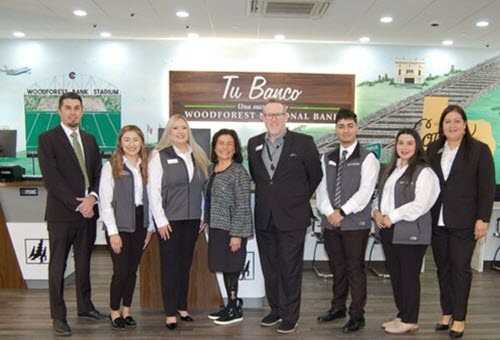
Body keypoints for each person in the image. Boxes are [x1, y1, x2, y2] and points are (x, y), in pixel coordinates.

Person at [247, 98, 323, 334]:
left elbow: (316, 175)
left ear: (286, 116)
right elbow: (260, 178)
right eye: (268, 115)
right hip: (264, 217)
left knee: (290, 267)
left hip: (292, 217)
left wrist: (296, 198)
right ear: (262, 118)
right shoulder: (254, 143)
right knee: (270, 266)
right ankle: (276, 309)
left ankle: (291, 315)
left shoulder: (304, 142)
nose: (273, 119)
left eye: (277, 115)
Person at [38, 92, 105, 336]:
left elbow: (99, 173)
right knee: (57, 266)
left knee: (85, 262)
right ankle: (58, 316)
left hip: (88, 213)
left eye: (77, 108)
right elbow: (52, 179)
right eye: (68, 108)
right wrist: (79, 204)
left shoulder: (89, 139)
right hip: (62, 215)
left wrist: (93, 198)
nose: (73, 112)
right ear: (59, 111)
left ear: (82, 111)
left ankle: (85, 307)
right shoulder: (47, 139)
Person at [427, 104, 495, 338]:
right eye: (447, 122)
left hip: (465, 222)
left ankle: (460, 317)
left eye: (457, 121)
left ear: (465, 125)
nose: (452, 125)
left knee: (460, 269)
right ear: (442, 126)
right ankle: (446, 312)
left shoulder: (479, 150)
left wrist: (482, 219)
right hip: (437, 221)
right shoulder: (433, 148)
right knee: (442, 270)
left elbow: (486, 188)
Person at [315, 108, 380, 333]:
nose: (345, 130)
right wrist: (329, 212)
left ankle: (357, 314)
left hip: (355, 224)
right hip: (331, 222)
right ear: (336, 129)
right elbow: (321, 188)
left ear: (357, 127)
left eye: (349, 126)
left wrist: (341, 212)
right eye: (341, 126)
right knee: (337, 268)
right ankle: (338, 307)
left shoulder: (368, 157)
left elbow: (365, 193)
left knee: (354, 268)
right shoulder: (328, 157)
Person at [372, 128, 440, 334]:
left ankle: (410, 319)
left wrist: (391, 217)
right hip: (388, 230)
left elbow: (420, 205)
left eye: (409, 143)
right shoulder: (392, 169)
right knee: (397, 276)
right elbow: (380, 196)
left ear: (417, 146)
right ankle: (403, 315)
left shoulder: (424, 172)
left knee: (409, 277)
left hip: (411, 232)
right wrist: (375, 212)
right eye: (400, 143)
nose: (404, 147)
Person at [148, 114, 209, 330]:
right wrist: (160, 220)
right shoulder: (159, 155)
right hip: (170, 221)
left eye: (184, 127)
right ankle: (170, 312)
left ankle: (183, 306)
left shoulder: (198, 155)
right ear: (169, 132)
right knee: (170, 266)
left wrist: (203, 215)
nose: (181, 131)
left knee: (185, 265)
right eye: (176, 128)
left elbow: (202, 190)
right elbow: (153, 191)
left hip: (193, 221)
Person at [98, 125, 154, 330]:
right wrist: (113, 232)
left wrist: (150, 228)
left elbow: (151, 198)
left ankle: (127, 311)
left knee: (132, 271)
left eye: (135, 140)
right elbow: (105, 202)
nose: (131, 144)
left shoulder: (146, 165)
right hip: (119, 224)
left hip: (141, 223)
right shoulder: (111, 166)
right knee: (120, 271)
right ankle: (114, 312)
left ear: (141, 143)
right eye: (127, 140)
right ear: (120, 143)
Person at [204, 129, 253, 325]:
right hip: (216, 226)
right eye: (221, 143)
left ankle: (234, 309)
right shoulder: (211, 169)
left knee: (232, 267)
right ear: (214, 147)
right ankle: (230, 305)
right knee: (223, 267)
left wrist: (237, 235)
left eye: (229, 143)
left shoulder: (239, 171)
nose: (224, 147)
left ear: (235, 149)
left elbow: (243, 204)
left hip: (232, 229)